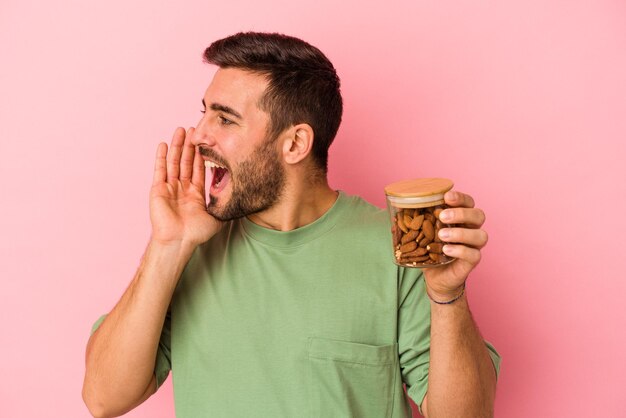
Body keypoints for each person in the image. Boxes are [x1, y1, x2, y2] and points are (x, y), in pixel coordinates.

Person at [82, 32, 500, 418]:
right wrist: (167, 244)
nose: (198, 135)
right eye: (205, 113)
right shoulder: (190, 247)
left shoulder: (394, 248)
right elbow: (104, 398)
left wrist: (447, 295)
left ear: (295, 144)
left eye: (225, 120)